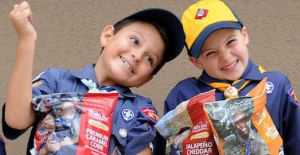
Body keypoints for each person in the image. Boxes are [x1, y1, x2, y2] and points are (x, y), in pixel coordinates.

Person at [2, 1, 185, 155]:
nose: (137, 55)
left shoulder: (141, 110)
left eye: (149, 59)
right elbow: (16, 120)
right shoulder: (56, 79)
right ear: (107, 36)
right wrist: (27, 39)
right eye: (135, 41)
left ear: (145, 79)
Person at [163, 0, 300, 154]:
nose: (226, 57)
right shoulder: (182, 95)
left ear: (244, 35)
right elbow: (172, 147)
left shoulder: (276, 85)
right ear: (196, 62)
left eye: (231, 42)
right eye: (211, 52)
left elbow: (295, 142)